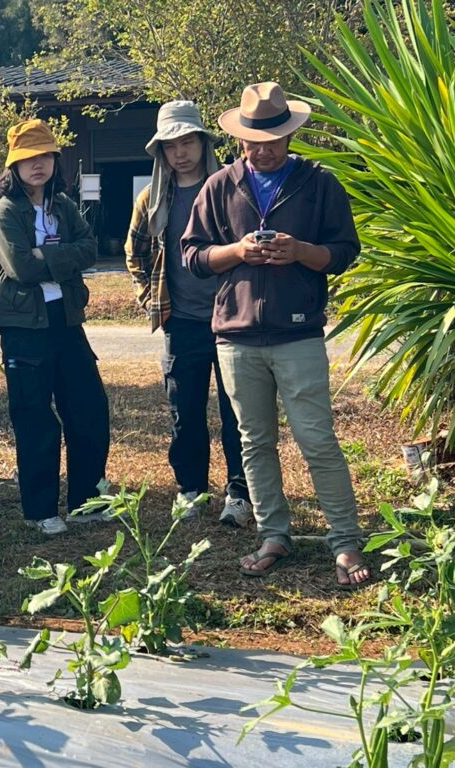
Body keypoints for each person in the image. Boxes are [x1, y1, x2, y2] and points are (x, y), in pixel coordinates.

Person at [182, 81, 371, 589]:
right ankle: (273, 536)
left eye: (271, 141)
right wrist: (236, 252)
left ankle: (345, 540)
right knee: (254, 441)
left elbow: (345, 250)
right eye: (252, 141)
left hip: (298, 332)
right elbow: (192, 255)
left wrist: (301, 252)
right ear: (239, 138)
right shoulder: (219, 186)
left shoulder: (319, 184)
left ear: (290, 136)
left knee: (317, 439)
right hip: (236, 335)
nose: (261, 150)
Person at [126, 101, 252, 526]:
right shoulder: (152, 198)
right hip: (181, 320)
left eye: (187, 143)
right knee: (185, 412)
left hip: (233, 318)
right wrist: (150, 298)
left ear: (203, 143)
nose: (180, 153)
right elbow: (135, 253)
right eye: (170, 146)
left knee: (239, 413)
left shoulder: (232, 188)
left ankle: (240, 493)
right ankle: (192, 489)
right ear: (160, 151)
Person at [0, 119, 109, 535]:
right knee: (35, 418)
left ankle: (86, 502)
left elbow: (91, 249)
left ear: (56, 160)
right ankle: (41, 510)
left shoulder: (63, 205)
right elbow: (20, 267)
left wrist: (45, 255)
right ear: (14, 165)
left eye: (45, 156)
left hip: (66, 319)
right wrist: (60, 257)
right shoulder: (6, 210)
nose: (37, 164)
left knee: (89, 408)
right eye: (28, 158)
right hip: (25, 326)